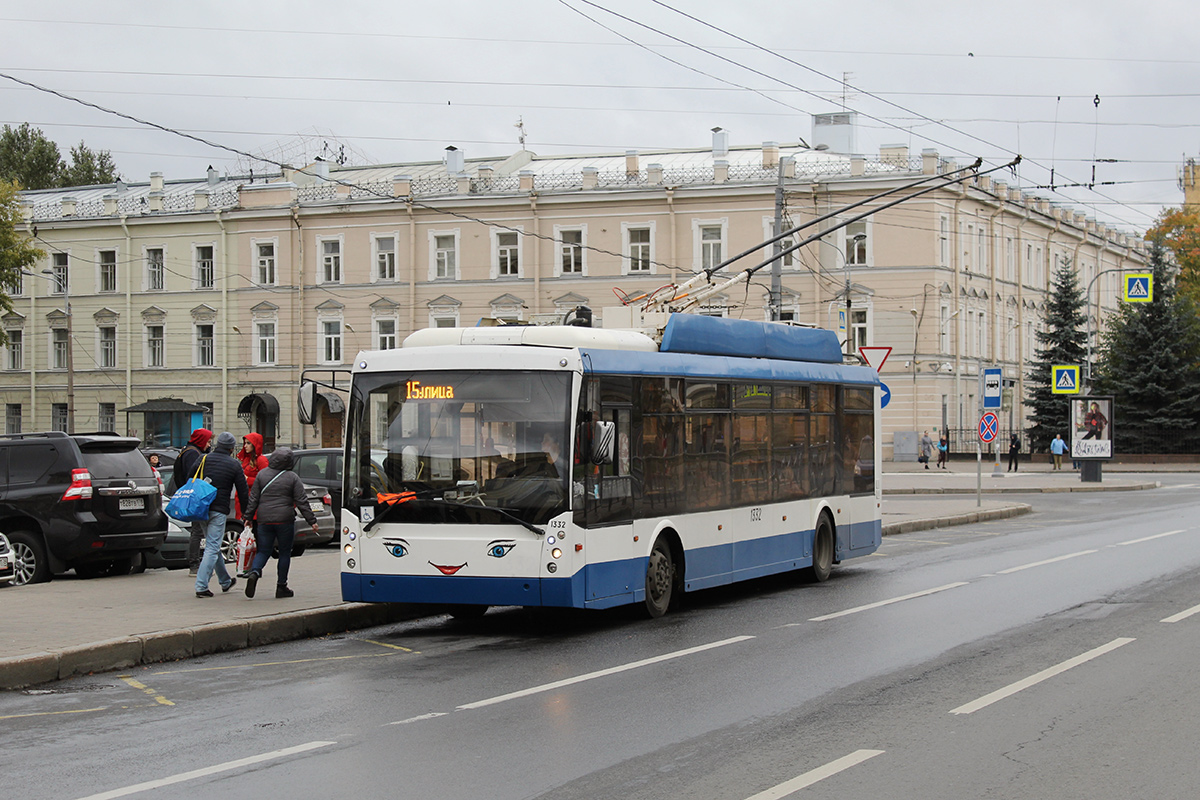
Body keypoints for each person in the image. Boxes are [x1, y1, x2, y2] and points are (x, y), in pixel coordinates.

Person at [242, 447, 319, 600]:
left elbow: (254, 499)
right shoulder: (292, 477)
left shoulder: (262, 475)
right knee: (284, 552)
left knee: (263, 551)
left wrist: (248, 517)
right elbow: (301, 501)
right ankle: (281, 586)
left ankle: (254, 572)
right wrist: (312, 521)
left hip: (264, 519)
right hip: (285, 520)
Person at [194, 432, 249, 598]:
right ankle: (201, 586)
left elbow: (190, 477)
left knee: (213, 544)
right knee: (212, 547)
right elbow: (243, 490)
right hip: (218, 509)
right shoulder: (234, 464)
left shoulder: (203, 459)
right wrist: (246, 513)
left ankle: (225, 581)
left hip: (201, 508)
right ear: (231, 448)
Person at [174, 428, 213, 577]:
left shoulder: (187, 450)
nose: (209, 445)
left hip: (190, 495)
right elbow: (194, 475)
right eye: (208, 441)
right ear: (201, 440)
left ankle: (198, 563)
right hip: (195, 497)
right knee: (197, 531)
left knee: (199, 530)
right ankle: (195, 564)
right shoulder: (192, 453)